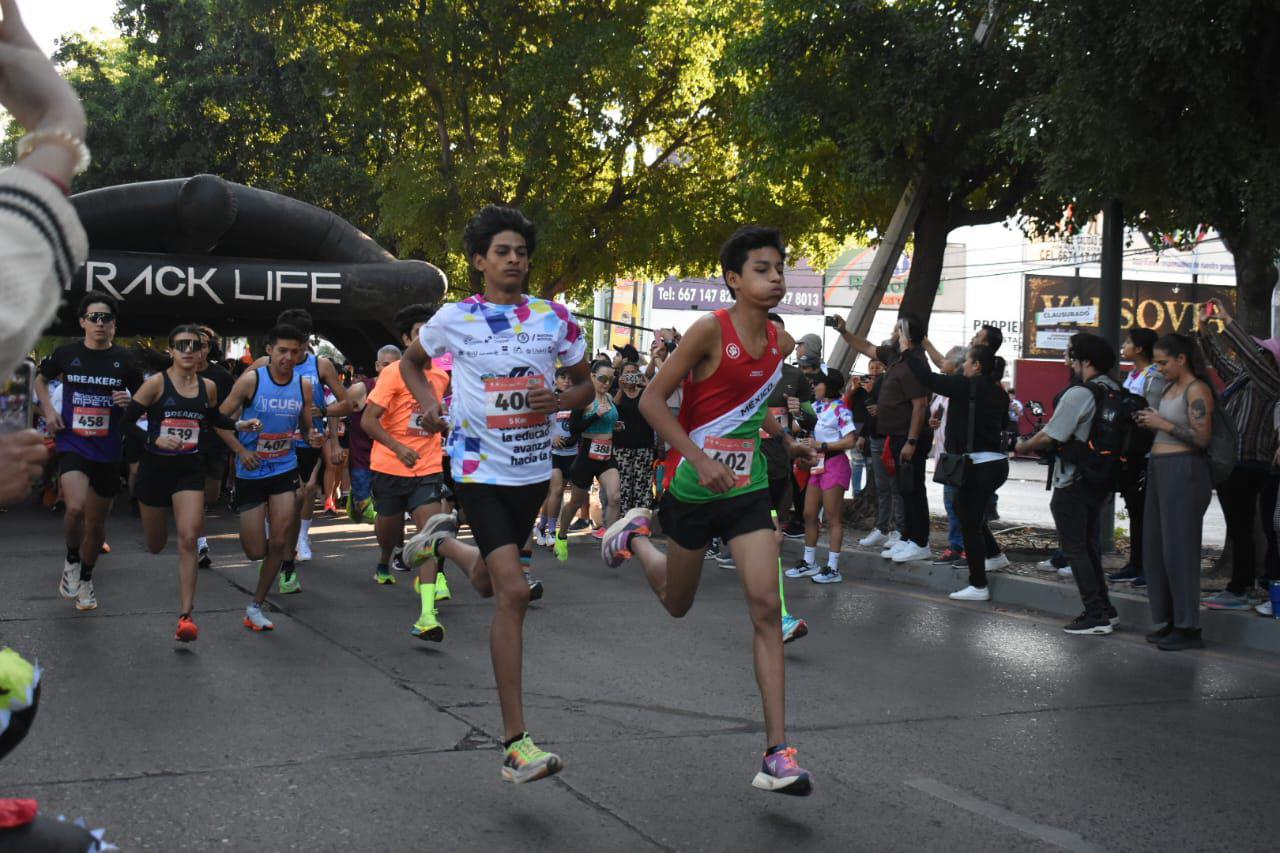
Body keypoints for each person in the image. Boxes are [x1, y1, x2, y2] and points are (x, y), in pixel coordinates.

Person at [600, 225, 817, 795]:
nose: (776, 279)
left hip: (747, 490)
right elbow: (650, 400)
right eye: (763, 270)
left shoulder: (779, 341)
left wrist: (787, 441)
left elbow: (756, 403)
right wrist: (699, 457)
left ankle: (776, 753)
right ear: (733, 279)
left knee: (766, 608)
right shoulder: (707, 331)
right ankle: (636, 537)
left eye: (780, 269)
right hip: (695, 489)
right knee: (677, 603)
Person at [398, 204, 592, 784]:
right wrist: (430, 405)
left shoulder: (554, 319)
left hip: (532, 473)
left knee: (485, 579)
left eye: (521, 252)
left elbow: (585, 389)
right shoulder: (455, 318)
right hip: (477, 470)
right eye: (502, 252)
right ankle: (515, 743)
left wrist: (557, 401)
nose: (514, 260)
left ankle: (445, 545)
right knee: (512, 592)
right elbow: (413, 365)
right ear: (480, 261)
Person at [125, 325, 255, 641]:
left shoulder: (208, 387)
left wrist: (239, 424)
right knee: (156, 544)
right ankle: (155, 536)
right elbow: (126, 421)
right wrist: (156, 436)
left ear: (203, 352)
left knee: (187, 537)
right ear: (171, 350)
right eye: (181, 345)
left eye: (194, 345)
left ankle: (186, 616)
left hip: (188, 470)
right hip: (155, 471)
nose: (188, 350)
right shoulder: (156, 384)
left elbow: (212, 419)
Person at [35, 292, 144, 612]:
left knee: (96, 525)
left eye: (106, 318)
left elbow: (144, 398)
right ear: (82, 322)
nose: (100, 324)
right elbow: (40, 380)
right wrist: (48, 411)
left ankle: (86, 577)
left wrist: (129, 404)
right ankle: (71, 558)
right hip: (73, 443)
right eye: (93, 317)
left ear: (114, 325)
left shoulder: (124, 361)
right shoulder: (67, 354)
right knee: (75, 509)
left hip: (108, 450)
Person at [216, 323, 321, 631]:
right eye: (282, 351)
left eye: (295, 351)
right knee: (255, 551)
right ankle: (261, 569)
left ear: (302, 353)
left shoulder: (304, 385)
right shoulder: (251, 380)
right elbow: (220, 421)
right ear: (270, 351)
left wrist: (311, 436)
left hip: (284, 468)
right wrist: (240, 449)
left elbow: (305, 427)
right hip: (250, 470)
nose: (288, 357)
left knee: (278, 540)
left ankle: (255, 605)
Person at [1015, 333, 1120, 635]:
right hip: (1100, 479)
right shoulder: (1113, 389)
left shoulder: (1080, 393)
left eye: (1071, 355)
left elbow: (1052, 434)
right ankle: (1106, 609)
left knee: (1076, 549)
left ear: (1085, 361)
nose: (1068, 361)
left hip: (1073, 479)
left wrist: (1023, 446)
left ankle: (1096, 614)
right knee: (1088, 547)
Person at [360, 304, 454, 638]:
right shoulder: (393, 372)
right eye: (420, 334)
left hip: (427, 467)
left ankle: (428, 614)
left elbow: (434, 420)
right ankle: (385, 557)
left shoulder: (441, 376)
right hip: (388, 466)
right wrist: (399, 448)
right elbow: (367, 421)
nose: (429, 341)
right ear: (406, 339)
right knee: (389, 533)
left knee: (431, 532)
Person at [909, 345, 1013, 600]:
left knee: (968, 521)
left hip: (977, 465)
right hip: (997, 463)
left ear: (977, 365)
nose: (962, 366)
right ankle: (995, 556)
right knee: (971, 513)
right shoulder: (999, 392)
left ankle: (978, 585)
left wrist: (908, 352)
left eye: (966, 361)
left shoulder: (964, 386)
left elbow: (927, 377)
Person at [249, 308, 348, 572]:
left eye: (300, 340)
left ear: (307, 338)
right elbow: (241, 401)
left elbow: (346, 402)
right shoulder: (261, 365)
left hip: (308, 441)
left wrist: (325, 415)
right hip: (270, 441)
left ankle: (298, 541)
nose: (292, 351)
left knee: (303, 494)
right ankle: (277, 543)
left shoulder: (321, 365)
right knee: (279, 498)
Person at [1197, 298, 1280, 609]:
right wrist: (1204, 331)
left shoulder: (1271, 382)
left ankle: (1241, 586)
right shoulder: (1245, 379)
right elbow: (1221, 361)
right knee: (1238, 526)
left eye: (1263, 353)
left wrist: (1228, 321)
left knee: (1243, 527)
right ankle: (1246, 582)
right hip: (1234, 462)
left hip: (1251, 463)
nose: (1257, 354)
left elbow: (1247, 355)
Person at [1133, 333, 1214, 650]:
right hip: (1159, 467)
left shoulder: (1198, 390)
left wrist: (1163, 425)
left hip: (1184, 470)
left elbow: (1202, 438)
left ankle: (1188, 625)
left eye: (1163, 362)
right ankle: (1169, 619)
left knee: (1180, 550)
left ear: (1182, 359)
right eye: (1155, 362)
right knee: (1156, 548)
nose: (1158, 368)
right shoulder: (1168, 387)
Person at [834, 314, 933, 562]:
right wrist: (844, 332)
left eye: (897, 329)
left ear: (907, 336)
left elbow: (920, 405)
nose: (893, 332)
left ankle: (920, 542)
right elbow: (866, 347)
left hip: (909, 437)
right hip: (896, 436)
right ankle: (908, 538)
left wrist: (911, 441)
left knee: (913, 490)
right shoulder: (896, 356)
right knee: (904, 488)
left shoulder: (915, 362)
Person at [786, 367, 855, 584]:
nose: (813, 386)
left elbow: (850, 440)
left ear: (830, 386)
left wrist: (822, 444)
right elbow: (796, 427)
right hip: (815, 465)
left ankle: (833, 568)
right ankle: (809, 562)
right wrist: (796, 411)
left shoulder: (841, 409)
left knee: (833, 517)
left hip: (835, 463)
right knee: (808, 514)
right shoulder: (814, 407)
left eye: (818, 383)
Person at [553, 359, 621, 559]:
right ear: (592, 377)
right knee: (575, 501)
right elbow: (574, 429)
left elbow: (609, 421)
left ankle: (610, 541)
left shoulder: (608, 397)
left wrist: (615, 426)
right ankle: (562, 536)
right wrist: (595, 416)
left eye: (610, 379)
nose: (606, 383)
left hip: (606, 453)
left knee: (615, 497)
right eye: (602, 378)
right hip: (587, 453)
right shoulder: (584, 399)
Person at [345, 345, 401, 527]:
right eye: (384, 364)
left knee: (387, 511)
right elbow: (339, 411)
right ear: (377, 366)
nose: (388, 369)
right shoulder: (361, 388)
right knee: (364, 511)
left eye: (393, 365)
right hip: (363, 457)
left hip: (391, 459)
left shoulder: (407, 390)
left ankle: (391, 547)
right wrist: (334, 445)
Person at [195, 325, 236, 567]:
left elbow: (234, 404)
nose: (197, 350)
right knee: (196, 496)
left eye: (203, 345)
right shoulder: (177, 372)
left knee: (210, 494)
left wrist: (235, 427)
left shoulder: (221, 376)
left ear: (210, 348)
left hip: (215, 442)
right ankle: (200, 542)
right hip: (187, 444)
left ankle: (194, 529)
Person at [927, 346, 968, 567]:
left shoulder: (960, 389)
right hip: (943, 454)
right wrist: (932, 422)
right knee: (950, 504)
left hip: (956, 455)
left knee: (957, 504)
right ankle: (956, 545)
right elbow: (936, 416)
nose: (943, 362)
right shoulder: (943, 389)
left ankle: (961, 547)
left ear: (959, 365)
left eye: (947, 359)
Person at [534, 367, 577, 546]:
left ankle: (542, 526)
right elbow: (537, 423)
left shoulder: (576, 400)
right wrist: (551, 436)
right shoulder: (550, 399)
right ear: (555, 379)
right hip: (552, 453)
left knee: (554, 494)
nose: (566, 381)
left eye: (569, 378)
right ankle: (552, 531)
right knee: (557, 490)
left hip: (572, 452)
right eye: (562, 377)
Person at [613, 361, 657, 515]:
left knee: (643, 486)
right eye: (627, 373)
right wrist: (621, 387)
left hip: (644, 447)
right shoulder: (618, 393)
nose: (630, 376)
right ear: (621, 375)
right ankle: (623, 522)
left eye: (634, 372)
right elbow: (614, 409)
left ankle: (640, 522)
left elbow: (657, 400)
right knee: (623, 486)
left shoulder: (646, 392)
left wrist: (646, 383)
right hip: (622, 448)